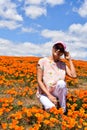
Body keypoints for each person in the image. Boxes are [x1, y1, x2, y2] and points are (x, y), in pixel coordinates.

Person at [36, 42, 77, 113]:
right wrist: (49, 96)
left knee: (61, 83)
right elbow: (39, 81)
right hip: (45, 93)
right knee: (51, 109)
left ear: (62, 53)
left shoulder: (62, 64)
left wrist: (70, 60)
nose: (58, 50)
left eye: (61, 49)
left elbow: (74, 76)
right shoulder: (42, 61)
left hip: (56, 92)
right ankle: (52, 105)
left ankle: (63, 109)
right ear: (53, 48)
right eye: (57, 47)